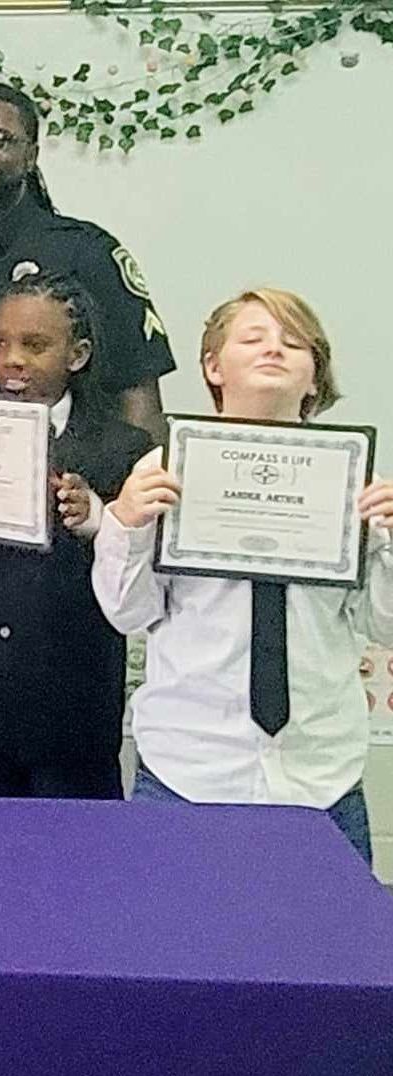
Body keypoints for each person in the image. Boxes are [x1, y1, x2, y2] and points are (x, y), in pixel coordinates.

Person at [93, 288, 393, 862]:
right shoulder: (163, 470)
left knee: (325, 924)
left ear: (315, 377)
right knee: (174, 921)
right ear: (213, 366)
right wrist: (126, 521)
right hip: (188, 768)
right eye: (253, 338)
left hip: (321, 774)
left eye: (294, 343)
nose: (273, 350)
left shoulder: (354, 482)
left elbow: (385, 625)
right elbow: (127, 612)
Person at [0, 273, 154, 799]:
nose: (12, 360)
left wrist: (98, 517)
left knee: (77, 849)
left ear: (78, 354)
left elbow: (139, 582)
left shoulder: (122, 449)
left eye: (35, 345)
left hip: (72, 717)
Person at [0, 81, 175, 442]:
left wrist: (136, 471)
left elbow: (138, 396)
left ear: (31, 156)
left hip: (64, 463)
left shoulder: (86, 252)